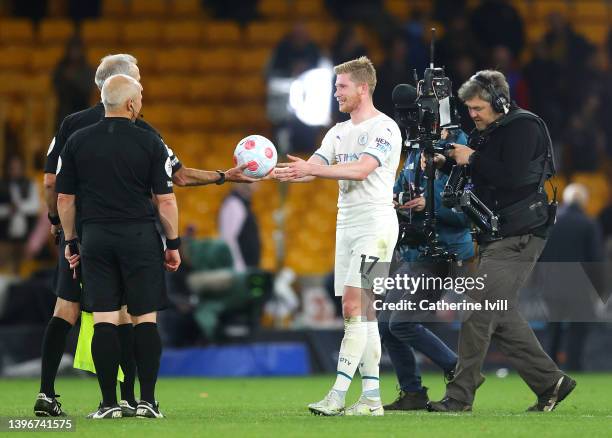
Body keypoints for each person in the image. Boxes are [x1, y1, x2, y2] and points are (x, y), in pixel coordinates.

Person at [35, 54, 253, 418]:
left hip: (84, 233)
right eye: (138, 80)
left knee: (69, 308)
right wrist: (221, 177)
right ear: (125, 90)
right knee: (132, 315)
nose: (144, 87)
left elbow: (51, 181)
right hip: (132, 233)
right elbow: (175, 181)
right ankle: (135, 398)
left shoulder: (72, 127)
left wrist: (59, 226)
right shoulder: (145, 133)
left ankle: (49, 393)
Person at [427, 70, 576, 412]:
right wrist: (448, 160)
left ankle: (460, 395)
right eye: (469, 109)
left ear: (499, 102)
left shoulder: (525, 127)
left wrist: (472, 158)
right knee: (500, 314)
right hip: (499, 234)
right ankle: (551, 382)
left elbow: (512, 176)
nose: (473, 115)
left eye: (478, 108)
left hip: (521, 234)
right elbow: (479, 172)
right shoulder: (488, 132)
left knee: (478, 309)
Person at [275, 56, 402, 416]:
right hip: (346, 226)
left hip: (376, 227)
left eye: (341, 87)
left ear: (363, 88)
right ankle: (372, 399)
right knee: (366, 312)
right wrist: (275, 171)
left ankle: (337, 393)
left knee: (352, 306)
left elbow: (362, 169)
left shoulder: (385, 128)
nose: (336, 93)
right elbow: (311, 168)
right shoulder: (336, 132)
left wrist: (315, 168)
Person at [56, 74, 179, 419]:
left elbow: (65, 198)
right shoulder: (150, 142)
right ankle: (148, 402)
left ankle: (109, 403)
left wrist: (70, 240)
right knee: (144, 318)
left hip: (96, 237)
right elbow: (165, 201)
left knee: (105, 319)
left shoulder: (77, 141)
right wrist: (174, 243)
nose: (142, 100)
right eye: (140, 95)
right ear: (129, 104)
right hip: (138, 236)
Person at [380, 128, 473, 411]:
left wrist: (428, 205)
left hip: (444, 253)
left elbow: (465, 212)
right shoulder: (414, 151)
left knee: (401, 322)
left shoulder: (458, 147)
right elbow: (399, 187)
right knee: (386, 324)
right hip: (415, 251)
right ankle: (413, 393)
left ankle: (458, 368)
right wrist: (397, 201)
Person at [539, 183, 605, 371]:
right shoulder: (588, 223)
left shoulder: (551, 221)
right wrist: (599, 289)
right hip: (579, 285)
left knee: (553, 328)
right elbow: (595, 260)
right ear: (583, 200)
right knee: (578, 328)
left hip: (551, 284)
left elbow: (539, 253)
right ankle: (574, 366)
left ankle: (549, 370)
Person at [0, 155, 40, 274]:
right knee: (5, 271)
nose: (14, 171)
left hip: (26, 237)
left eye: (17, 167)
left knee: (24, 271)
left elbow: (35, 206)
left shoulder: (29, 184)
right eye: (12, 168)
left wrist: (19, 207)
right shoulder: (2, 185)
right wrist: (8, 210)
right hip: (4, 237)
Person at [218, 184, 261, 272]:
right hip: (240, 270)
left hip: (246, 268)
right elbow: (228, 239)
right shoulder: (234, 204)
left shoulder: (242, 204)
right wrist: (239, 269)